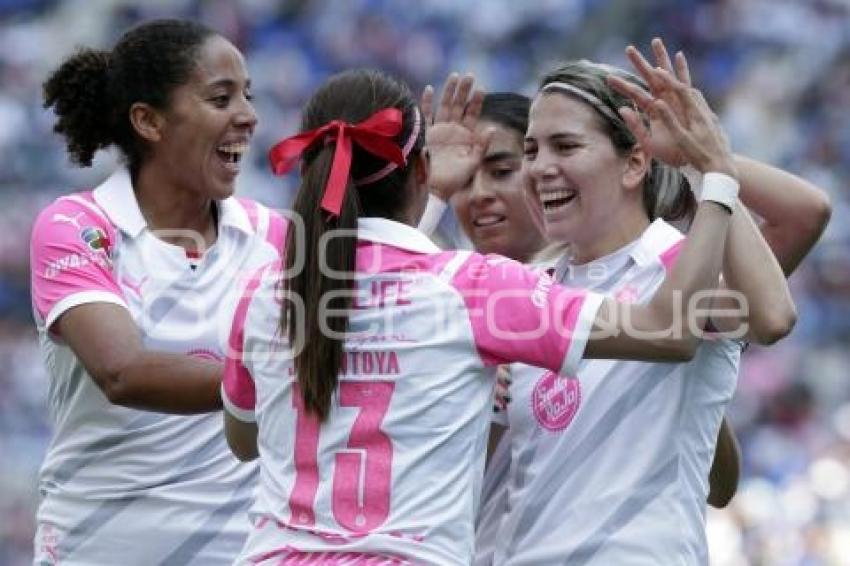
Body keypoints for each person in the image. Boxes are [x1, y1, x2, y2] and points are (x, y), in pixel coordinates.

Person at [222, 64, 744, 564]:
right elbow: (669, 332)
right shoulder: (475, 289)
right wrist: (717, 176)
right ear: (421, 171)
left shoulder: (263, 293)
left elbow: (245, 442)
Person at [472, 40, 830, 565]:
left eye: (566, 147)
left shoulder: (683, 262)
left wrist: (705, 163)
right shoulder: (527, 286)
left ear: (635, 162)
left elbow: (773, 317)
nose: (541, 167)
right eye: (531, 150)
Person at [30, 19, 286, 565]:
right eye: (221, 98)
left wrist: (431, 198)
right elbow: (121, 371)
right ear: (148, 121)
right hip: (94, 550)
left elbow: (389, 294)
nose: (248, 115)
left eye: (248, 95)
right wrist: (284, 377)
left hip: (244, 554)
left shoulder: (277, 237)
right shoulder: (76, 227)